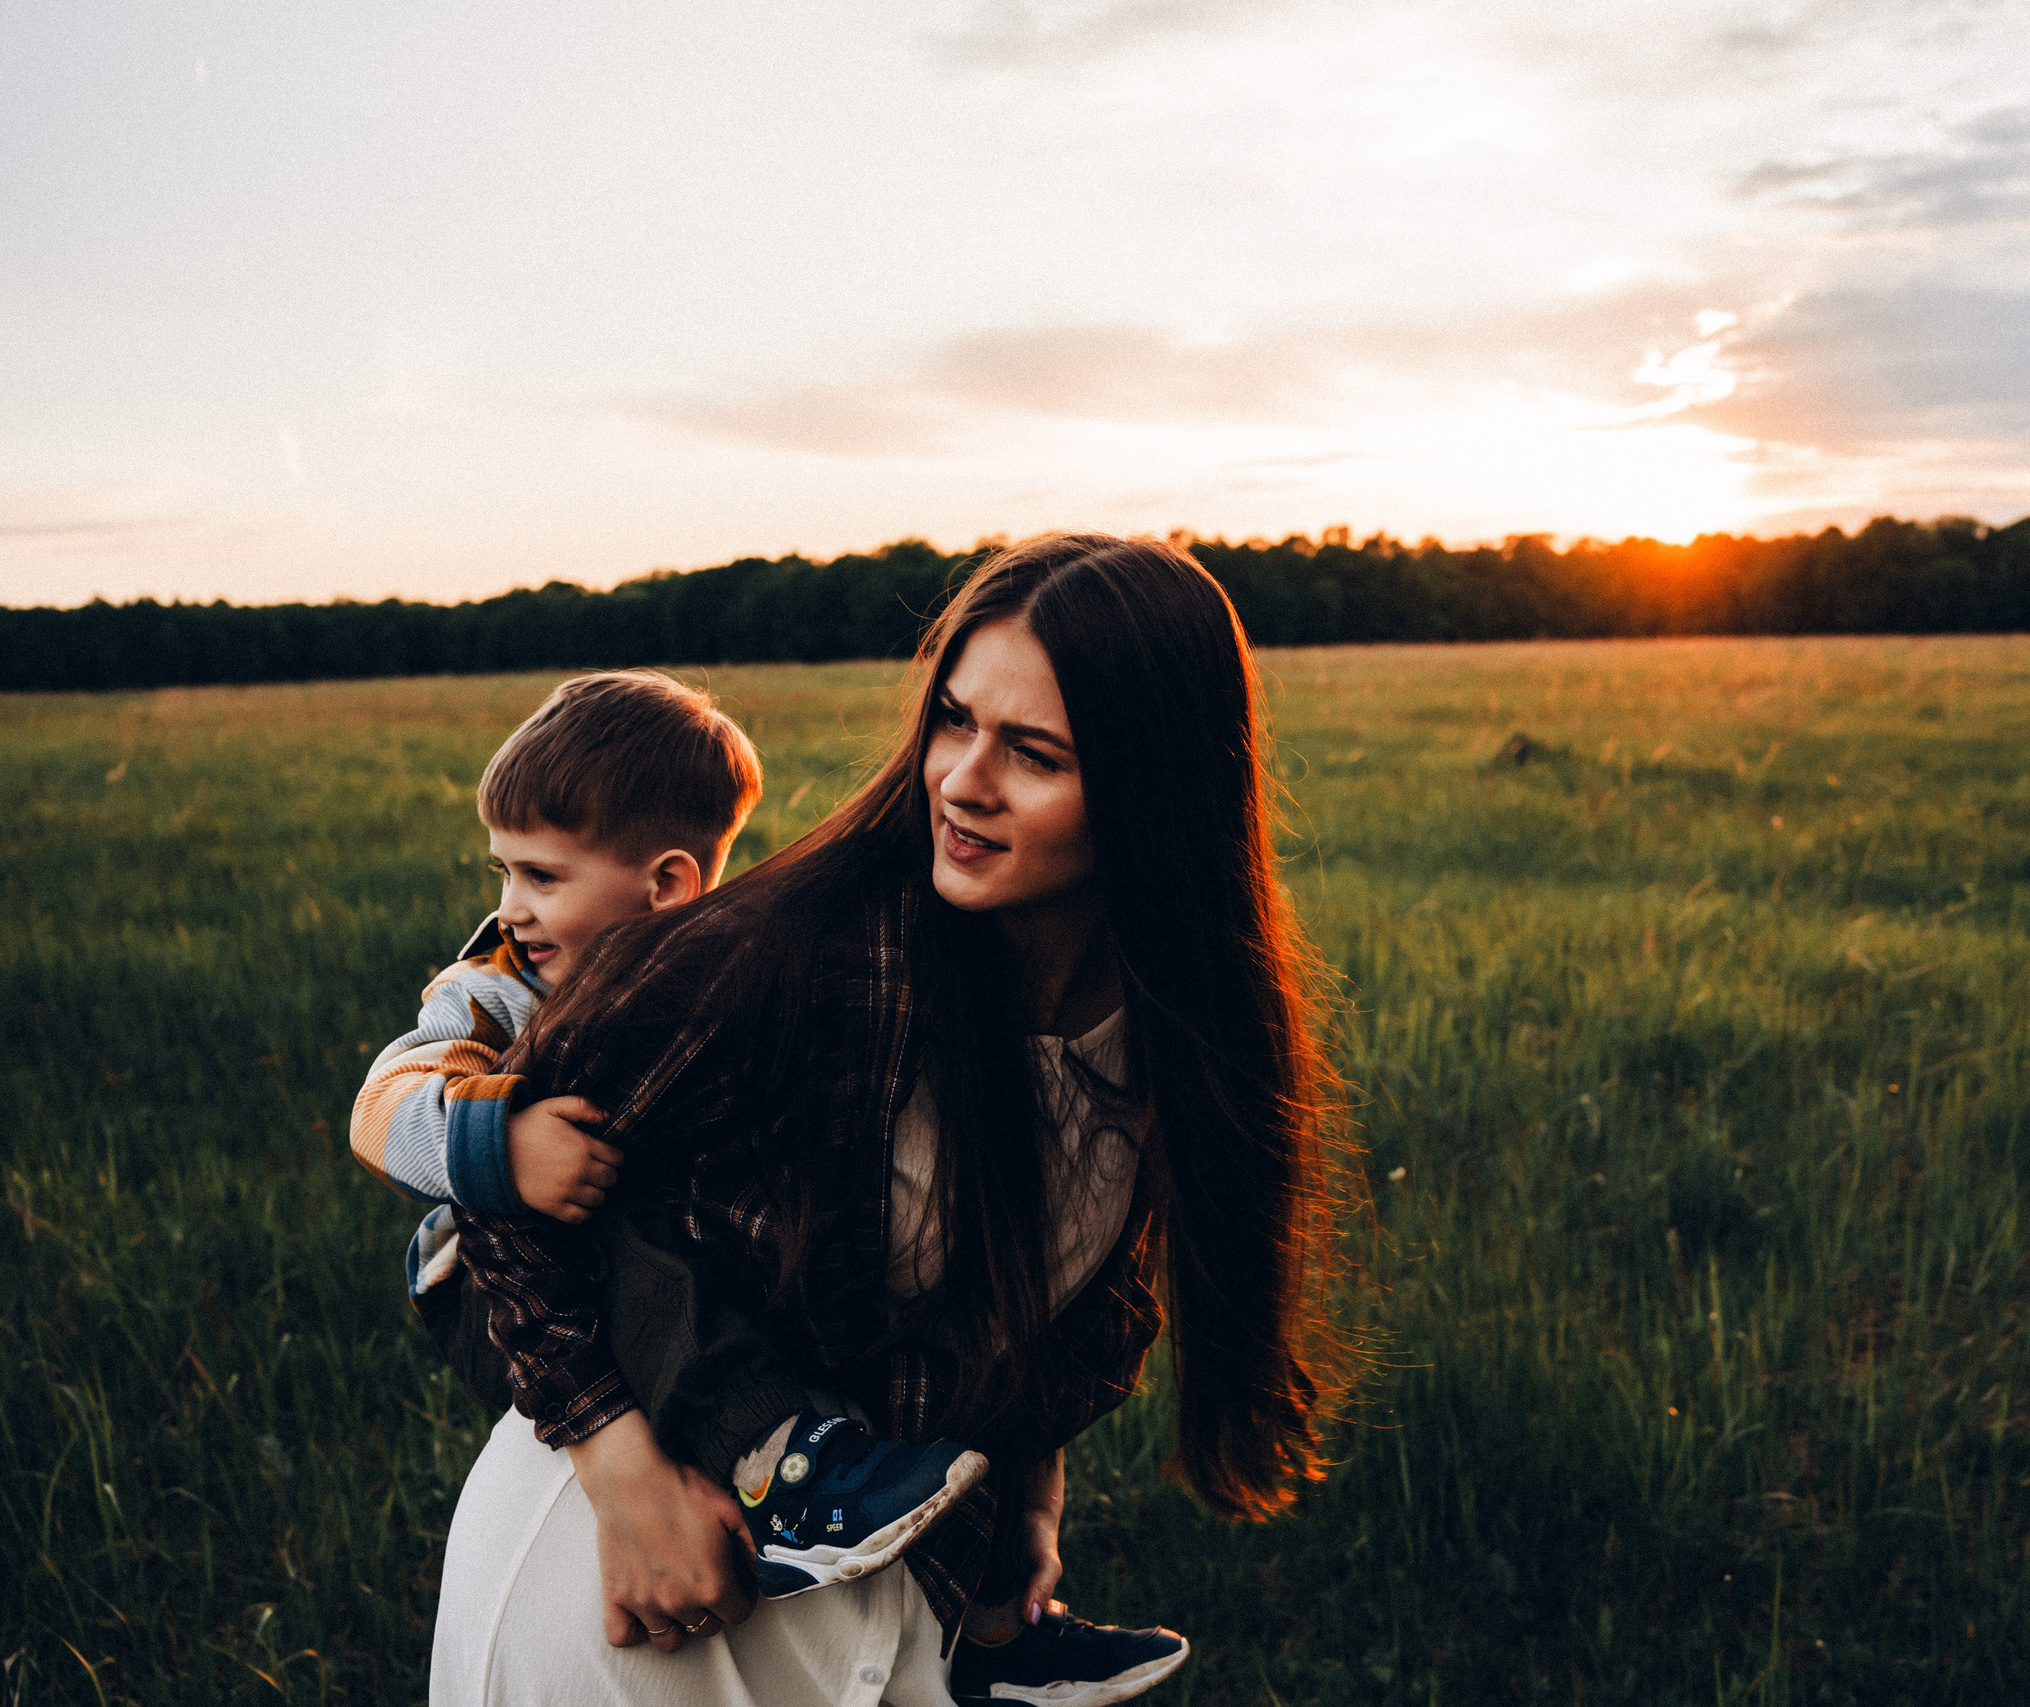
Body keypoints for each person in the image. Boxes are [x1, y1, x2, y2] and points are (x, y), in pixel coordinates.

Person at [433, 532, 1350, 1707]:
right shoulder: (785, 955)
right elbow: (494, 1185)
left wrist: (1027, 1487)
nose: (964, 779)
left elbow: (1045, 1287)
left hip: (883, 1620)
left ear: (1152, 789)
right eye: (955, 722)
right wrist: (621, 1474)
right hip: (630, 1579)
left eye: (1034, 753)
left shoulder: (1168, 1030)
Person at [346, 672, 995, 1595]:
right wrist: (501, 1141)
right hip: (484, 1284)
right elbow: (382, 1101)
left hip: (638, 1266)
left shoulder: (717, 976)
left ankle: (981, 1604)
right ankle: (787, 1476)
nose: (513, 907)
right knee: (649, 1262)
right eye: (507, 870)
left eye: (541, 875)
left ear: (667, 886)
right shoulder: (493, 986)